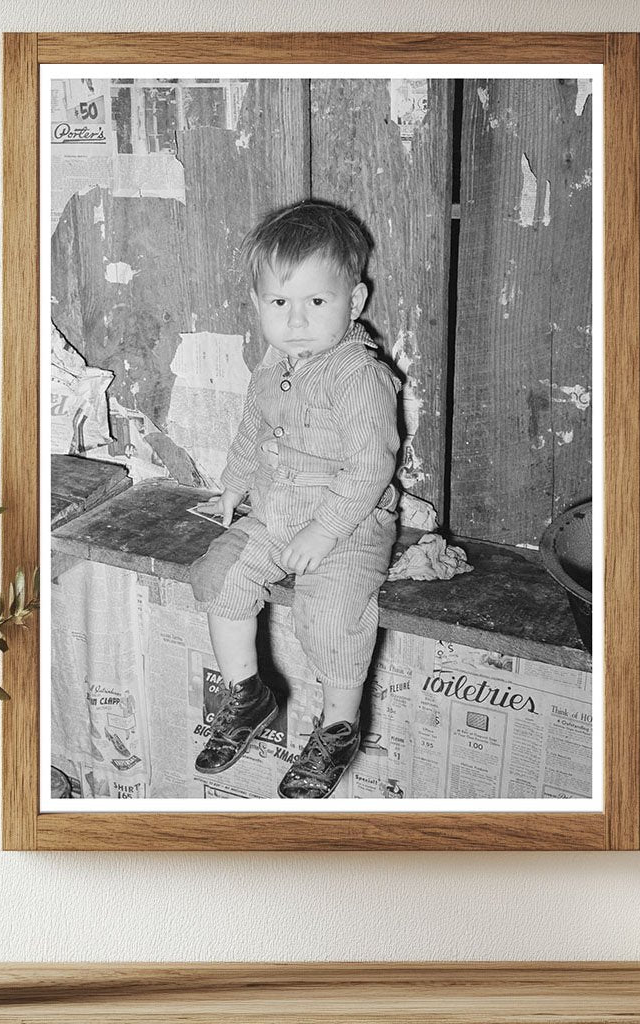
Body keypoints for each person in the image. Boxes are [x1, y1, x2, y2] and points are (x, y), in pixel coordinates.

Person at [189, 199, 400, 799]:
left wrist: (325, 531)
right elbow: (254, 428)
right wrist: (233, 482)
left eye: (317, 302)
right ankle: (248, 694)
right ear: (258, 306)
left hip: (348, 523)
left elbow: (370, 467)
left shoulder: (358, 376)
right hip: (274, 512)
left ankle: (338, 728)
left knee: (330, 614)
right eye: (280, 303)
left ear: (353, 303)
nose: (297, 320)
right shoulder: (274, 363)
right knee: (220, 577)